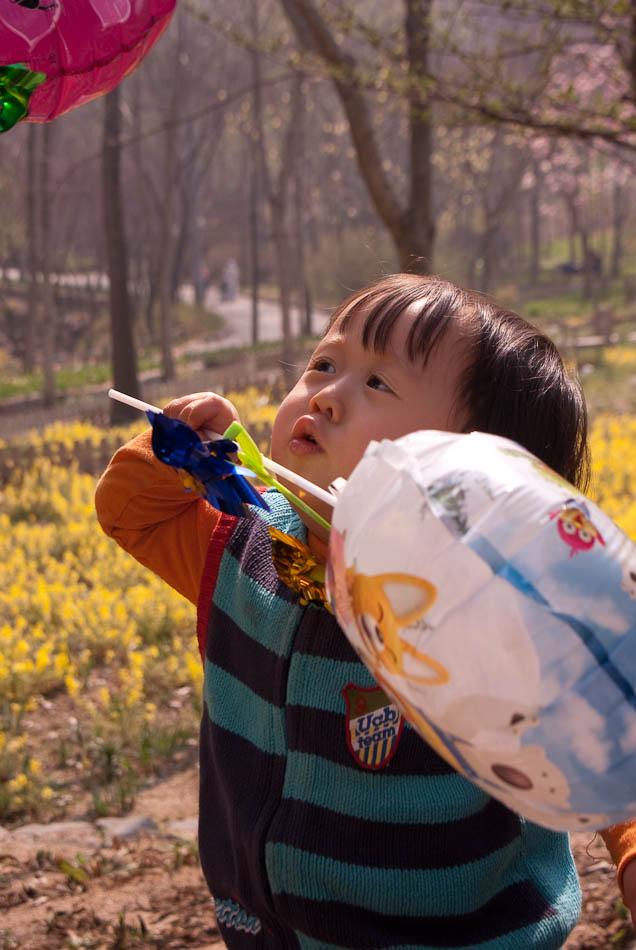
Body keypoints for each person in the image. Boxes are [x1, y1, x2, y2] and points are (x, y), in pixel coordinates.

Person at [96, 274, 636, 949]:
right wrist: (174, 454)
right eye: (324, 364)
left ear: (475, 469)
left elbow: (613, 728)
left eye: (378, 384)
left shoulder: (491, 606)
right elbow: (128, 515)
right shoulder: (241, 547)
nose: (324, 395)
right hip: (272, 933)